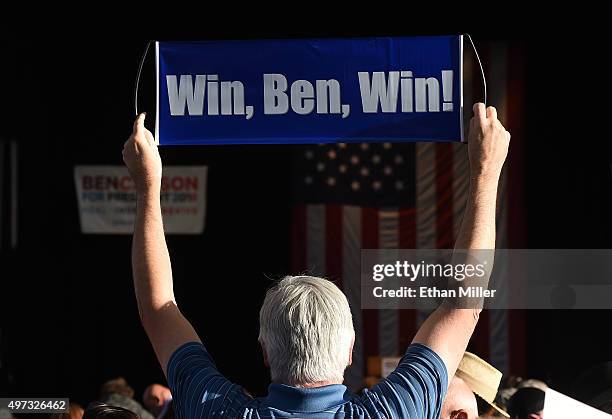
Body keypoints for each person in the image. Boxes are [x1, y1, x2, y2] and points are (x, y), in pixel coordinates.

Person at [122, 102, 510, 418]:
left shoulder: (221, 412)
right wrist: (486, 173)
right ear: (350, 350)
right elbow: (464, 303)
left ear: (264, 351)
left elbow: (158, 310)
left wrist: (146, 188)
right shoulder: (393, 412)